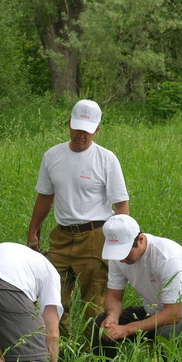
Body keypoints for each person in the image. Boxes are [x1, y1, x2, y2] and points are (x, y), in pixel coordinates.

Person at [27, 99, 129, 333]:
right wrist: (33, 229)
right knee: (52, 297)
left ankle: (91, 356)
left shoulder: (106, 159)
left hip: (95, 236)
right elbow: (45, 196)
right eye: (77, 128)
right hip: (62, 236)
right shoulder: (52, 155)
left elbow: (121, 204)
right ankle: (57, 351)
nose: (81, 135)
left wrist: (122, 244)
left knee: (94, 303)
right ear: (69, 125)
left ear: (97, 130)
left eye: (87, 130)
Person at [91, 214, 182, 362]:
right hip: (153, 311)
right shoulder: (117, 258)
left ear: (141, 240)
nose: (121, 259)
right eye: (117, 253)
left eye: (125, 253)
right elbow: (114, 298)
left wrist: (128, 329)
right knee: (101, 323)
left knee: (167, 334)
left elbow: (174, 314)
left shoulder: (167, 257)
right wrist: (112, 316)